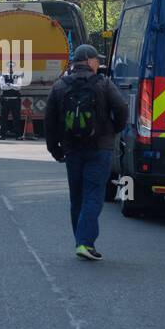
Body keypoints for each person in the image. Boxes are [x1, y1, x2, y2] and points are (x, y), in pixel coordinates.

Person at [44, 44, 128, 261]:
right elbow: (121, 108)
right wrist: (113, 130)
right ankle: (85, 242)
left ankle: (80, 241)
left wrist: (55, 149)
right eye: (96, 61)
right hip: (100, 148)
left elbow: (50, 121)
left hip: (72, 149)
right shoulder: (103, 83)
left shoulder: (60, 85)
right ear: (89, 61)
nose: (98, 64)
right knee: (93, 194)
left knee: (77, 197)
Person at [0, 67, 23, 139]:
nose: (11, 69)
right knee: (3, 119)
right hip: (5, 101)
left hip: (15, 101)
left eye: (12, 68)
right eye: (9, 68)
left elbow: (19, 87)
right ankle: (2, 135)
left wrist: (10, 85)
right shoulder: (2, 76)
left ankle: (18, 135)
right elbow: (3, 87)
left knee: (17, 118)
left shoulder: (18, 77)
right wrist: (13, 86)